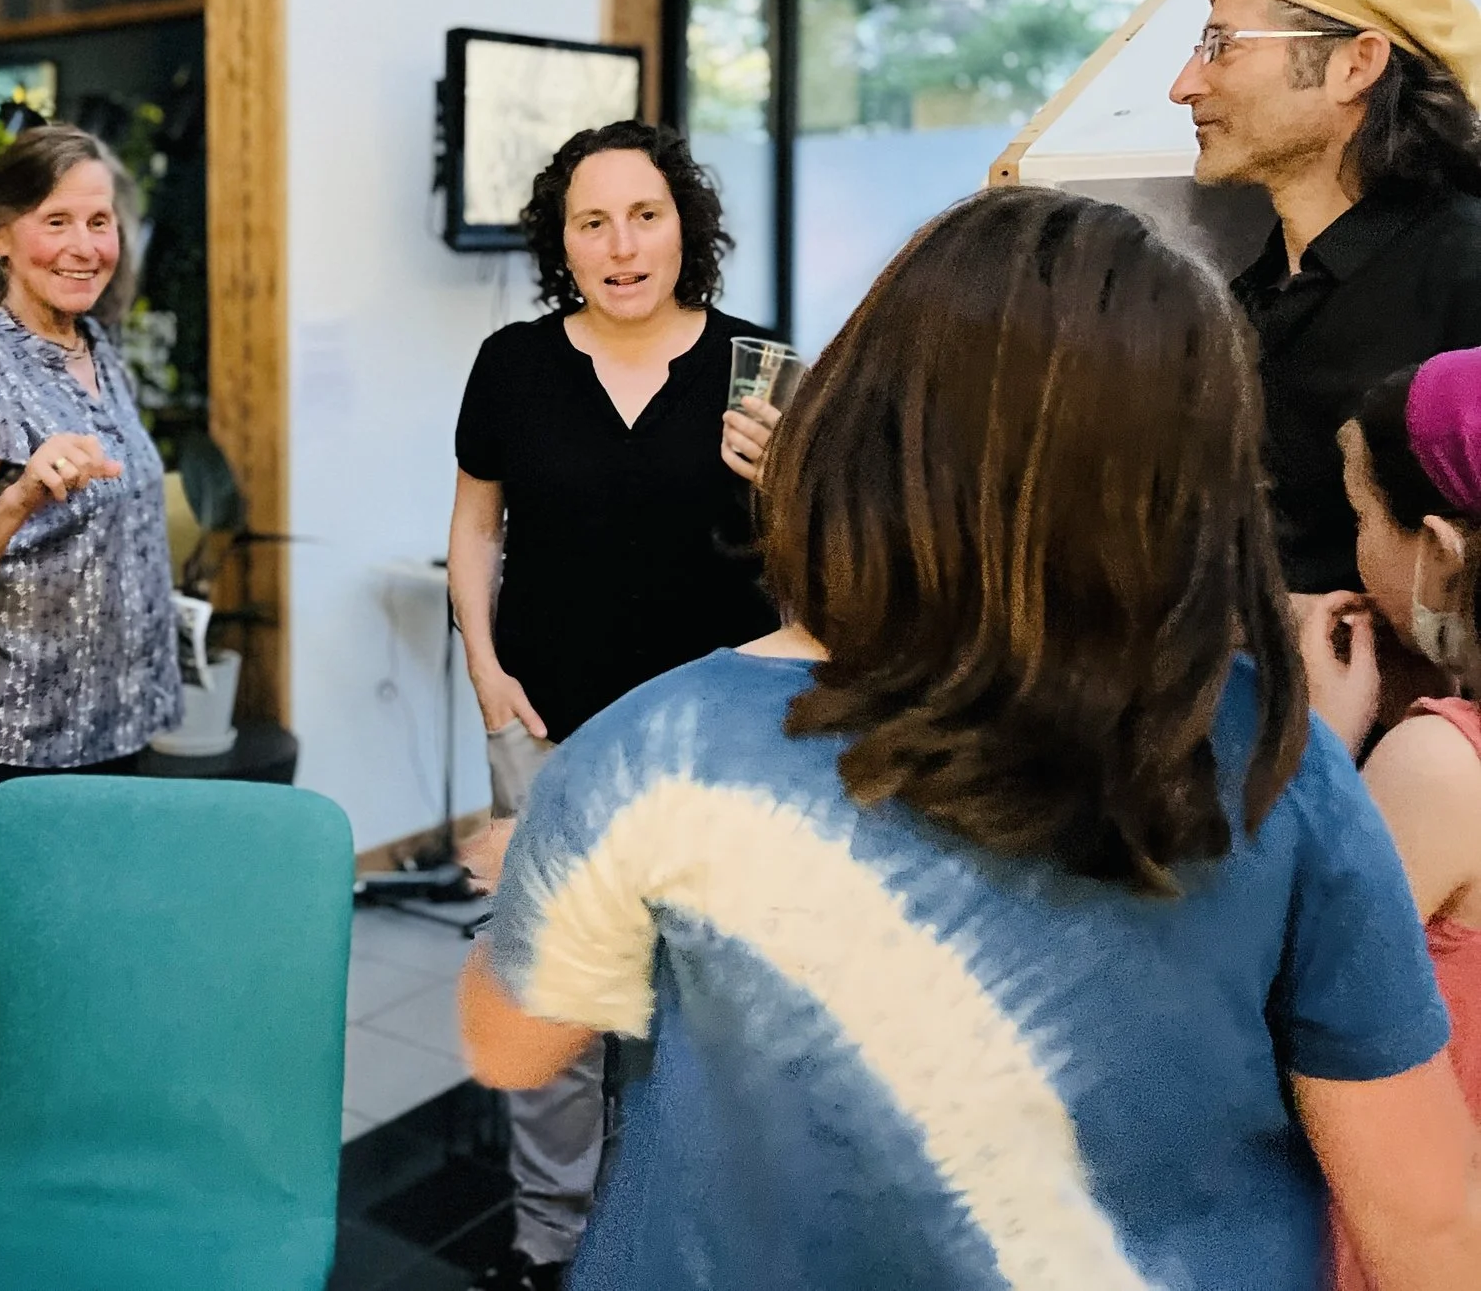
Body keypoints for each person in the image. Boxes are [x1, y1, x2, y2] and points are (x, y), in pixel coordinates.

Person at [459, 186, 1481, 1291]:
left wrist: (539, 875)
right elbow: (1425, 1224)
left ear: (853, 421)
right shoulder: (1288, 771)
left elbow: (508, 1043)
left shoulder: (654, 755)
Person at [447, 120, 772, 1291]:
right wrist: (484, 666)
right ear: (562, 243)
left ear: (687, 224)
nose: (621, 245)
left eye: (645, 215)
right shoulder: (515, 364)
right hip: (546, 726)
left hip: (713, 739)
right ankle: (548, 1242)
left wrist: (788, 481)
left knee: (690, 994)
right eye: (592, 222)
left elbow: (812, 557)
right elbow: (476, 524)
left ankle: (663, 1230)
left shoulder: (757, 365)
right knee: (550, 984)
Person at [0, 123, 179, 1177]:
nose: (83, 244)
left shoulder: (95, 349)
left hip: (108, 731)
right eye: (56, 221)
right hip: (5, 751)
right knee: (10, 1017)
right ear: (0, 235)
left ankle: (71, 1201)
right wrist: (20, 494)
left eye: (98, 221)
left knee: (86, 995)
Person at [1169, 0, 1481, 604]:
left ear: (1355, 65)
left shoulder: (1466, 270)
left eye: (1221, 45)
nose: (1184, 84)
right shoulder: (1243, 298)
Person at [1297, 349, 1481, 1291]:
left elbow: (1300, 984)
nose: (1356, 552)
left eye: (1363, 518)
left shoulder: (1444, 762)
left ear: (1442, 552)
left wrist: (1322, 747)